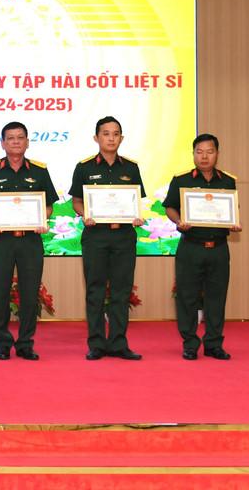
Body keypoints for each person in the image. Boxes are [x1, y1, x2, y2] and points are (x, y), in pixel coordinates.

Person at [0, 121, 57, 361]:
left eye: (20, 137)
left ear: (27, 142)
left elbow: (48, 205)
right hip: (1, 241)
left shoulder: (39, 171)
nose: (16, 142)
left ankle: (26, 344)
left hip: (30, 241)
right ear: (2, 143)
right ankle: (2, 343)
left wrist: (43, 218)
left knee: (30, 293)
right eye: (10, 138)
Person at [70, 116, 146, 361]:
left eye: (115, 134)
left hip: (124, 236)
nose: (111, 138)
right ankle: (96, 344)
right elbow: (76, 202)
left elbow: (136, 201)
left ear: (121, 138)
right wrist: (85, 214)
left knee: (122, 291)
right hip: (96, 236)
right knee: (95, 291)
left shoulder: (131, 168)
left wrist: (136, 216)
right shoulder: (84, 167)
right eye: (106, 134)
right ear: (96, 138)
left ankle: (118, 343)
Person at [163, 134, 241, 360]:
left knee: (217, 297)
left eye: (209, 151)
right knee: (186, 297)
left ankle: (213, 344)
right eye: (199, 152)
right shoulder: (181, 180)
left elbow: (231, 210)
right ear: (193, 154)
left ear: (217, 154)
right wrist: (179, 221)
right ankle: (189, 344)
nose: (204, 156)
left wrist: (234, 222)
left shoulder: (227, 181)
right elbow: (169, 207)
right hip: (191, 247)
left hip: (218, 248)